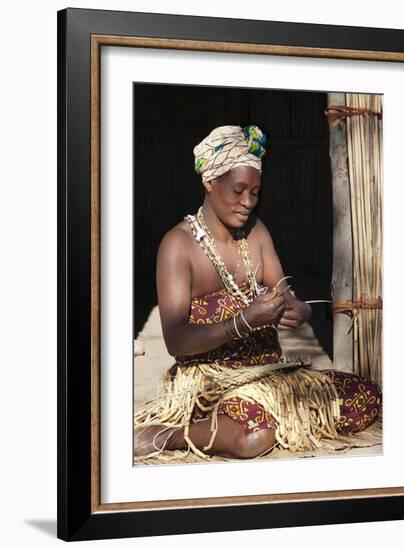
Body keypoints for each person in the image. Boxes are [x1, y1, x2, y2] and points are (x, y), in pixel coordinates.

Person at [134, 124, 382, 461]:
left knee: (364, 396)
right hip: (211, 383)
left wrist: (299, 310)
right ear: (210, 182)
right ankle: (172, 434)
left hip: (268, 377)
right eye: (238, 191)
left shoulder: (256, 232)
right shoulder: (178, 246)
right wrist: (244, 321)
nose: (248, 202)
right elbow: (176, 340)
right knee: (254, 437)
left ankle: (253, 421)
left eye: (255, 192)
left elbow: (286, 293)